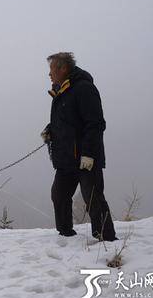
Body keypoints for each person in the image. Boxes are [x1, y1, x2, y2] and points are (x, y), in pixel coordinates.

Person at [41, 52, 117, 241]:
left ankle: (106, 238)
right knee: (58, 194)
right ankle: (65, 234)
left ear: (63, 69)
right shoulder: (61, 91)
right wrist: (50, 130)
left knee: (93, 198)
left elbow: (96, 123)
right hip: (66, 157)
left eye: (51, 69)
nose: (49, 74)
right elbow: (68, 122)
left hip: (85, 157)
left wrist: (89, 154)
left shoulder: (84, 89)